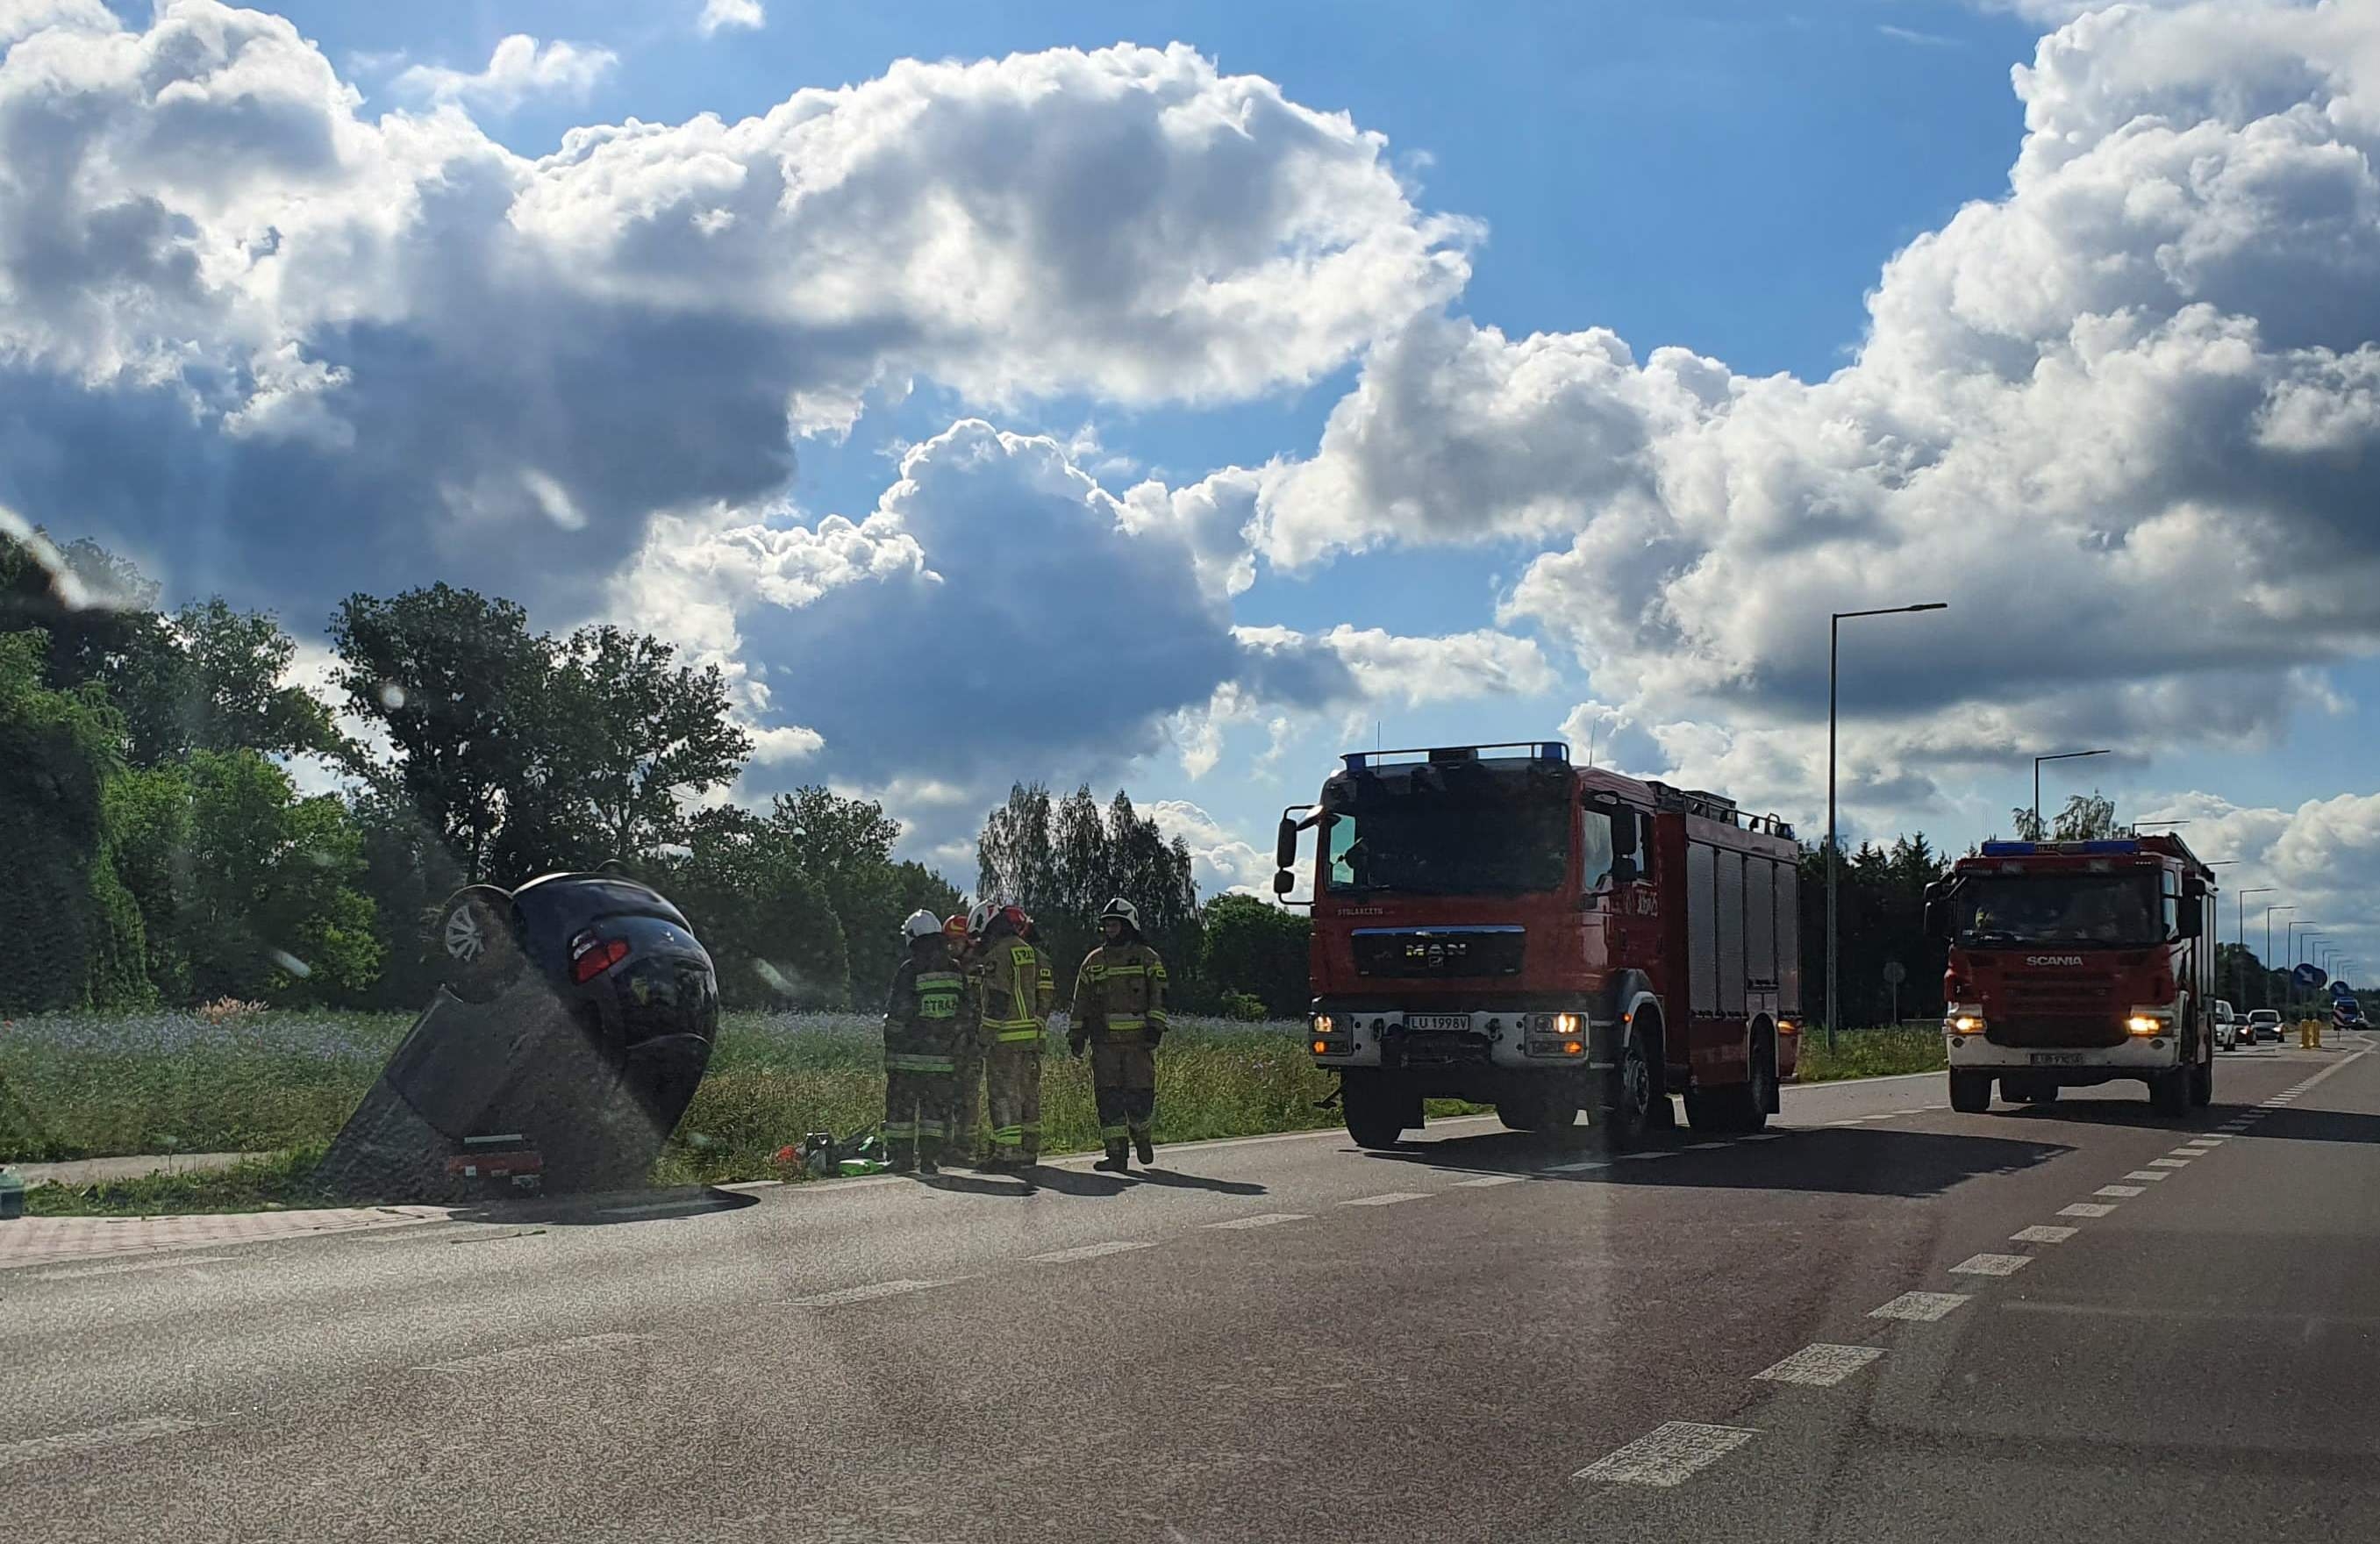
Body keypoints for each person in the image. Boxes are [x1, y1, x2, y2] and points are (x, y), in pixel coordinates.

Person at [1069, 897, 1169, 1173]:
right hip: (1105, 1046)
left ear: (1129, 925)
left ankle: (1142, 1137)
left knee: (1140, 1098)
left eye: (1115, 924)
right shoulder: (1094, 961)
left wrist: (1155, 1029)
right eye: (1107, 925)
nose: (1110, 929)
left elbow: (1159, 995)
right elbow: (1081, 1000)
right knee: (1108, 1099)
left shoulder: (1148, 958)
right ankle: (1116, 1154)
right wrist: (1076, 1034)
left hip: (1139, 1044)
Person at [881, 910, 966, 1173]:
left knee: (901, 1112)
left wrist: (891, 1043)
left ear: (913, 936)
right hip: (943, 1060)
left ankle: (902, 1158)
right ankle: (930, 1160)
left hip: (908, 1058)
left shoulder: (911, 969)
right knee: (934, 1114)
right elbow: (968, 1012)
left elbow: (898, 1013)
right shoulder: (955, 969)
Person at [969, 900, 1046, 1173]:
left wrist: (984, 1037)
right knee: (1025, 1095)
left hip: (1005, 1039)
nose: (981, 941)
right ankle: (1026, 1150)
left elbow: (998, 1000)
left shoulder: (997, 955)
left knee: (1002, 1096)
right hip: (1029, 1038)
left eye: (981, 934)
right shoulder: (1025, 949)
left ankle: (1006, 1153)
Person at [942, 911, 983, 1163]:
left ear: (968, 942)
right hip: (950, 1045)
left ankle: (966, 1147)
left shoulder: (979, 970)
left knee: (968, 1098)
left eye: (955, 942)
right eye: (948, 942)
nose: (950, 947)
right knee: (947, 1096)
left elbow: (978, 1008)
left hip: (971, 1045)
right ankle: (946, 1146)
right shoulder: (949, 968)